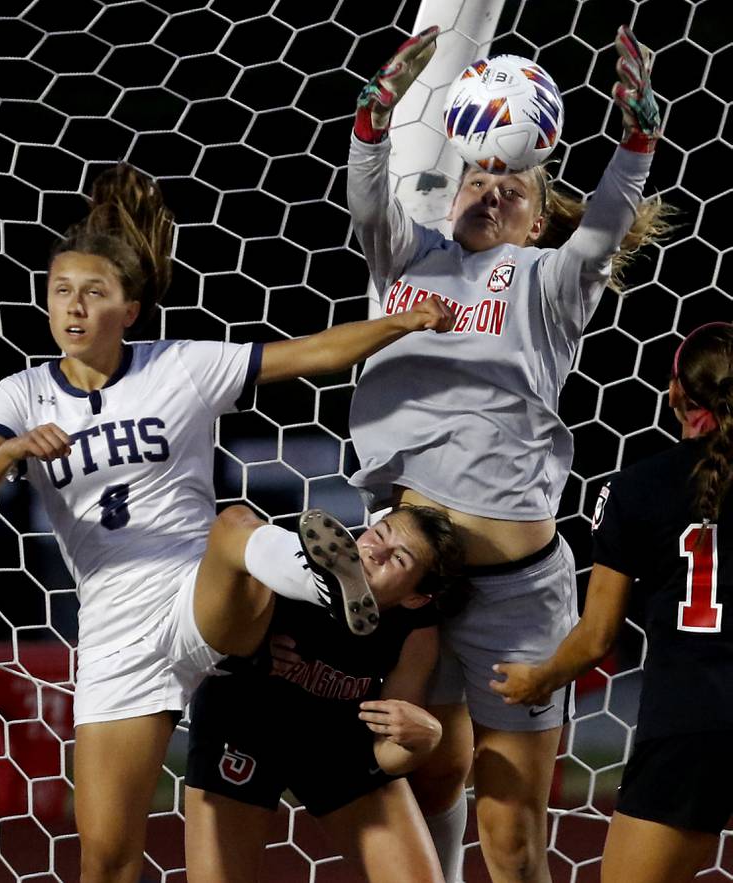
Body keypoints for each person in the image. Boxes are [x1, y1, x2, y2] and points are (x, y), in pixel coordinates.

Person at [0, 162, 455, 883]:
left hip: (205, 601)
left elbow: (307, 354)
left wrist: (401, 322)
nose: (73, 306)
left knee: (231, 527)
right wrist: (12, 448)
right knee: (106, 857)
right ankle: (316, 571)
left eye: (94, 292)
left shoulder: (178, 366)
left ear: (128, 308)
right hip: (116, 630)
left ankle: (322, 576)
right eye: (61, 289)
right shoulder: (22, 392)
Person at [346, 23, 673, 883]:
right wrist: (374, 121)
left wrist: (636, 138)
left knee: (513, 834)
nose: (490, 189)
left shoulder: (549, 283)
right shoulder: (405, 259)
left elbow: (605, 225)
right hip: (408, 580)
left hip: (513, 599)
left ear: (537, 220)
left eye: (514, 185)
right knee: (415, 781)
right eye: (479, 173)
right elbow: (369, 195)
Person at [490, 322, 733, 883]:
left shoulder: (638, 488)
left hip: (689, 726)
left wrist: (539, 680)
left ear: (676, 394)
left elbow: (597, 635)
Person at [182, 502, 465, 883]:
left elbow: (383, 755)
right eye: (378, 535)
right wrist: (252, 649)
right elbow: (213, 637)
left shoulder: (416, 631)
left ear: (415, 598)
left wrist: (423, 741)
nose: (373, 553)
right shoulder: (292, 560)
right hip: (245, 725)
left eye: (398, 558)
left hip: (336, 744)